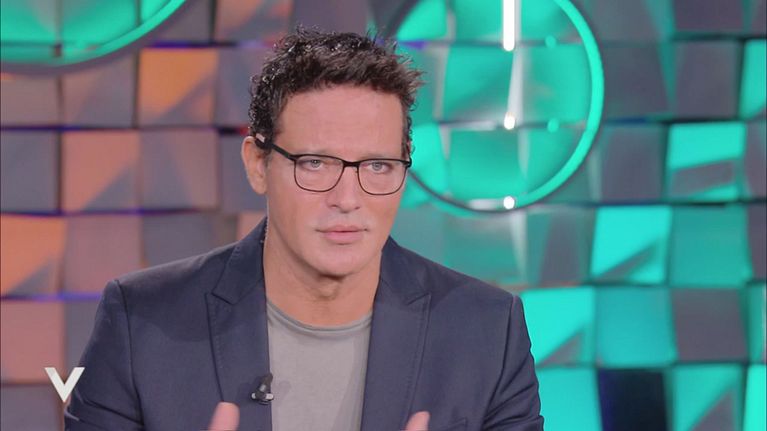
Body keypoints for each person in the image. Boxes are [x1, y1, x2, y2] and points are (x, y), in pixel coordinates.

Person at [65, 28, 543, 431]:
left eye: (378, 166)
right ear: (258, 164)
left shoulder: (486, 331)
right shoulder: (141, 323)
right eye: (315, 163)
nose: (348, 198)